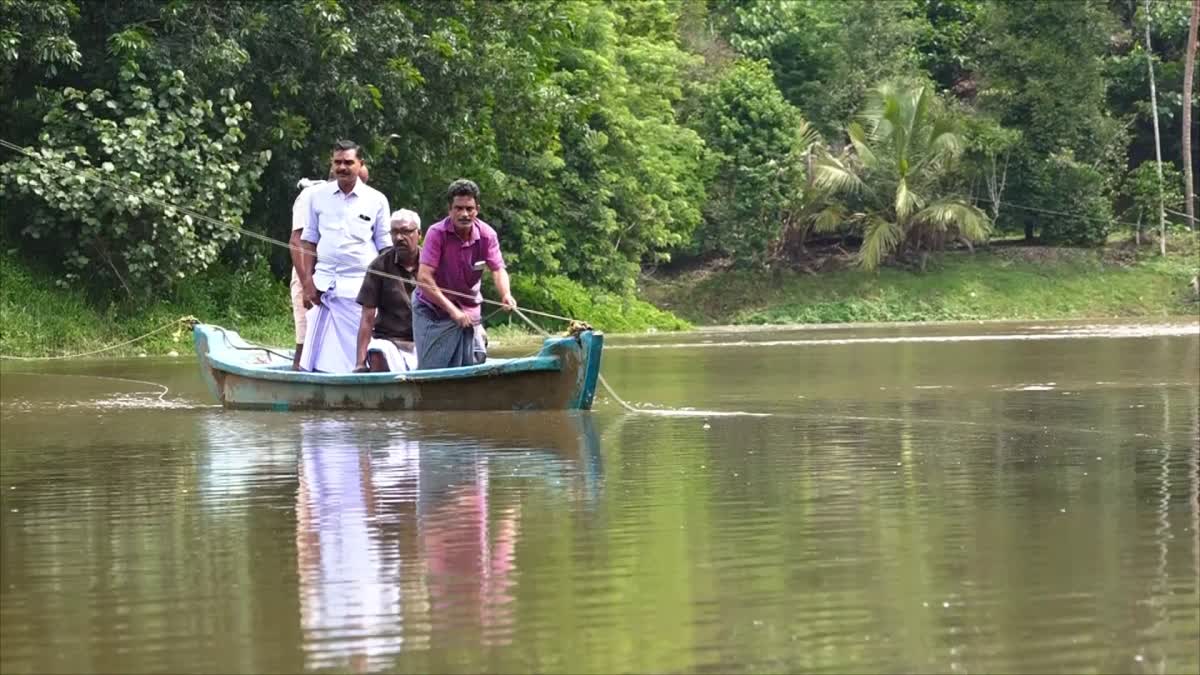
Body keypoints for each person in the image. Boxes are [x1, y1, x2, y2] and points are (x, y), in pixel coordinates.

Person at [295, 140, 391, 373]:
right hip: (324, 287)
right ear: (331, 164)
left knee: (359, 354)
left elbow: (385, 248)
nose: (343, 167)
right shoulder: (316, 196)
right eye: (338, 162)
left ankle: (361, 385)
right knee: (314, 360)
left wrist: (387, 288)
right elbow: (308, 241)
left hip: (361, 289)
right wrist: (307, 282)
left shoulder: (376, 199)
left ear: (360, 164)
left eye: (348, 162)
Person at [413, 179, 516, 369]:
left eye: (469, 208)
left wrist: (506, 295)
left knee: (475, 359)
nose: (464, 214)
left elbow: (498, 269)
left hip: (468, 308)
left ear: (477, 208)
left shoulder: (487, 235)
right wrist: (453, 311)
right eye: (458, 208)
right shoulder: (436, 233)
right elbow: (424, 278)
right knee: (432, 367)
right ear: (449, 209)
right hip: (432, 308)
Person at [289, 166, 369, 370]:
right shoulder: (312, 196)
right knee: (306, 339)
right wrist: (308, 285)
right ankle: (298, 389)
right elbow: (297, 242)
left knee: (347, 340)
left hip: (345, 283)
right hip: (311, 275)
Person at [353, 209, 422, 373]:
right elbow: (367, 317)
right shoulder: (379, 266)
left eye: (405, 232)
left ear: (419, 234)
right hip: (391, 340)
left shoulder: (432, 263)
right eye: (395, 232)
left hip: (426, 339)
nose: (399, 238)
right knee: (378, 353)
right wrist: (360, 363)